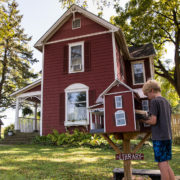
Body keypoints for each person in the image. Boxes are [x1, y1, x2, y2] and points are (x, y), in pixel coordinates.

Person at [142, 79, 175, 180]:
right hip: (167, 136)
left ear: (151, 90)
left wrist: (142, 120)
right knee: (166, 164)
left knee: (162, 165)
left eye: (147, 94)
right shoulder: (166, 101)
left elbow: (153, 121)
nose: (148, 97)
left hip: (159, 137)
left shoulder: (154, 101)